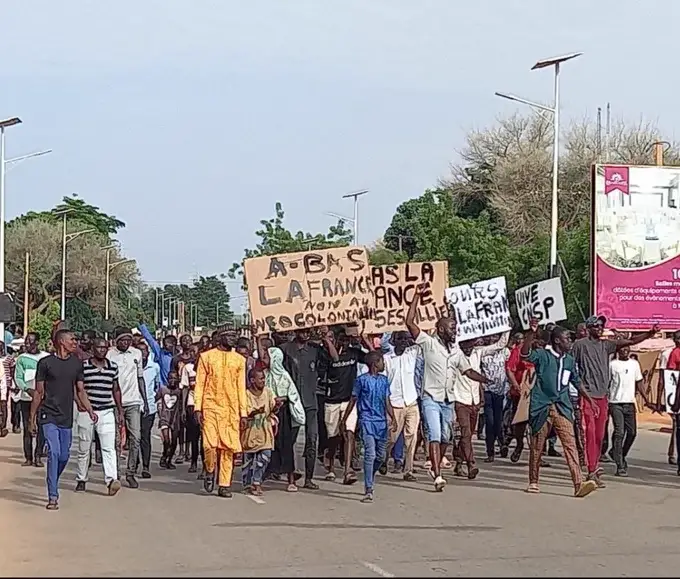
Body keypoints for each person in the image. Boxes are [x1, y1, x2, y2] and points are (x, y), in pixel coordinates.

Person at [406, 283, 489, 491]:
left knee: (445, 437)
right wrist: (416, 295)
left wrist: (484, 379)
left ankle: (435, 465)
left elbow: (467, 371)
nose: (455, 331)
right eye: (452, 328)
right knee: (434, 434)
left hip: (447, 401)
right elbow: (409, 321)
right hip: (430, 398)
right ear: (441, 329)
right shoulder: (428, 342)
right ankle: (438, 475)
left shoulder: (456, 351)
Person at [571, 315, 657, 487]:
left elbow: (630, 341)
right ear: (589, 328)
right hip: (587, 396)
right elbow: (571, 368)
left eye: (601, 326)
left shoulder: (606, 345)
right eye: (596, 326)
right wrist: (579, 390)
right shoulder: (580, 345)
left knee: (599, 436)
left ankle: (594, 467)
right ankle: (591, 470)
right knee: (589, 434)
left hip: (603, 397)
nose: (600, 328)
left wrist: (650, 333)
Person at [521, 321, 597, 498]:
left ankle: (578, 483)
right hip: (542, 406)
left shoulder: (569, 360)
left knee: (570, 444)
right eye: (566, 338)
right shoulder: (542, 355)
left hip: (562, 407)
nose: (570, 341)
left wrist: (589, 400)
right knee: (537, 446)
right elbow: (525, 355)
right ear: (556, 341)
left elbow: (576, 381)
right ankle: (533, 480)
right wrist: (531, 334)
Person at [30, 330, 97, 510]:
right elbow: (38, 392)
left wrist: (89, 409)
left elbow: (80, 390)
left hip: (66, 416)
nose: (76, 342)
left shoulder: (76, 364)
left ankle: (53, 478)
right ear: (61, 342)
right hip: (48, 414)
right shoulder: (45, 364)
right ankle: (53, 495)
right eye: (72, 339)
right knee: (53, 452)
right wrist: (31, 419)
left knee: (64, 456)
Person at [280, 327, 338, 490]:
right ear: (296, 331)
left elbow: (334, 358)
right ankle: (291, 479)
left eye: (308, 331)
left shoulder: (314, 349)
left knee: (312, 439)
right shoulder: (285, 349)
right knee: (290, 441)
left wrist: (326, 338)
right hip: (291, 402)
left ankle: (309, 478)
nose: (305, 334)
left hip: (311, 403)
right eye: (302, 331)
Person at [194, 329, 248, 497]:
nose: (234, 339)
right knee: (209, 445)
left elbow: (241, 387)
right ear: (221, 337)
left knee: (228, 448)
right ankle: (210, 470)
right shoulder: (207, 357)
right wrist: (197, 407)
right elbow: (200, 384)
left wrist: (243, 413)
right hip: (210, 407)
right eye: (230, 336)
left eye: (235, 337)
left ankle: (224, 484)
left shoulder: (239, 360)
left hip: (231, 410)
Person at [341, 350, 395, 503]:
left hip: (381, 422)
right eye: (381, 361)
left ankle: (369, 474)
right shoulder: (361, 380)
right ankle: (368, 489)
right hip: (367, 420)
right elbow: (353, 399)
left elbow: (387, 401)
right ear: (374, 364)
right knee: (370, 454)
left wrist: (393, 417)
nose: (383, 364)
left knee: (381, 456)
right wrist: (345, 419)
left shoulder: (384, 380)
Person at [74, 338, 124, 495]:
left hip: (106, 410)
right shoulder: (84, 367)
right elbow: (78, 388)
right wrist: (80, 403)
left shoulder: (112, 367)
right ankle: (81, 478)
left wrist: (120, 410)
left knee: (108, 447)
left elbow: (116, 389)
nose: (102, 350)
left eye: (104, 348)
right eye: (99, 347)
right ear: (93, 349)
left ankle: (111, 480)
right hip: (87, 412)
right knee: (84, 447)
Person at [257, 334, 306, 493]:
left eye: (266, 357)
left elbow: (291, 394)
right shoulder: (267, 375)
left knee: (285, 447)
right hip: (269, 413)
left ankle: (291, 480)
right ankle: (260, 478)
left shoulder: (284, 376)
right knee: (268, 446)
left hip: (283, 415)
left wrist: (279, 400)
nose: (263, 359)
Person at [320, 328, 366, 484]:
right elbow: (335, 358)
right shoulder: (325, 354)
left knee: (349, 433)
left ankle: (347, 471)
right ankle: (331, 463)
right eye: (342, 339)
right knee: (333, 437)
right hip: (331, 400)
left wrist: (364, 338)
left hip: (349, 400)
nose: (345, 343)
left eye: (347, 339)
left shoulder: (354, 353)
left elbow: (375, 359)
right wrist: (327, 340)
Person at [107, 327, 147, 489]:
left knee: (136, 438)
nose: (125, 343)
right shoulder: (109, 354)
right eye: (122, 340)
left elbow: (140, 377)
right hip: (113, 402)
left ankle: (130, 472)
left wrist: (145, 400)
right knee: (116, 441)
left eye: (128, 340)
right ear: (116, 341)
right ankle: (115, 473)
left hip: (133, 401)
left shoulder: (136, 354)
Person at [382, 331, 420, 482]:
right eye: (401, 339)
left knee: (411, 437)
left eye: (406, 339)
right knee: (391, 438)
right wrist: (387, 406)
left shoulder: (412, 353)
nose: (404, 341)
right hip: (395, 403)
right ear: (393, 340)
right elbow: (384, 383)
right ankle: (383, 458)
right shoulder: (386, 359)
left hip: (411, 401)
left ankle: (408, 470)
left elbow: (424, 340)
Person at [609, 345, 649, 477]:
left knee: (632, 433)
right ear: (618, 350)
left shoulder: (634, 364)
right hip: (615, 403)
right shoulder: (612, 365)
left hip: (630, 403)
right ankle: (620, 465)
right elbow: (607, 383)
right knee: (619, 432)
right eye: (622, 349)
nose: (625, 351)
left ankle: (618, 453)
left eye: (627, 349)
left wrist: (647, 400)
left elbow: (639, 382)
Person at [241, 367, 278, 496]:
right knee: (248, 461)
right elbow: (244, 412)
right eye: (260, 378)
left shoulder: (268, 392)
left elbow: (272, 408)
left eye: (264, 378)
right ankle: (247, 484)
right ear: (252, 380)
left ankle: (256, 482)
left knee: (265, 457)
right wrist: (255, 412)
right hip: (250, 432)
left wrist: (277, 405)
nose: (263, 381)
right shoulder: (245, 394)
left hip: (265, 431)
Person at [15, 333, 49, 466]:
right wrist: (27, 390)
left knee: (42, 427)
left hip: (42, 399)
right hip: (26, 398)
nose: (28, 343)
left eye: (31, 341)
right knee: (27, 426)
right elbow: (18, 377)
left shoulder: (46, 358)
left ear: (37, 342)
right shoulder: (21, 358)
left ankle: (38, 455)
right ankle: (28, 457)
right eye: (26, 341)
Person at [478, 333, 511, 462]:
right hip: (487, 391)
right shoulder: (482, 352)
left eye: (495, 336)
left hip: (501, 391)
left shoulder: (505, 351)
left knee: (499, 421)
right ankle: (490, 452)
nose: (492, 339)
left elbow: (508, 369)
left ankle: (502, 444)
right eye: (490, 336)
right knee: (490, 422)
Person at [138, 341, 160, 479]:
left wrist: (151, 401)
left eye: (144, 351)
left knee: (145, 436)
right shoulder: (132, 366)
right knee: (135, 437)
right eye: (139, 351)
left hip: (149, 408)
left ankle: (145, 466)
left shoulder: (154, 367)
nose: (142, 353)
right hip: (133, 405)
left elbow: (157, 387)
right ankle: (134, 464)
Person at [180, 351, 202, 474]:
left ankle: (206, 467)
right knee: (194, 436)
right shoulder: (188, 368)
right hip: (192, 405)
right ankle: (193, 462)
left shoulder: (209, 369)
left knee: (205, 439)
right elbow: (185, 388)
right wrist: (183, 409)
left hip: (206, 406)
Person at [157, 370, 183, 469]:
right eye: (170, 378)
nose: (172, 380)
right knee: (167, 440)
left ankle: (169, 460)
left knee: (174, 441)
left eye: (175, 378)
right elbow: (155, 399)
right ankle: (164, 455)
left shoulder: (179, 391)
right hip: (164, 418)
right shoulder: (163, 390)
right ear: (167, 379)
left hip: (175, 419)